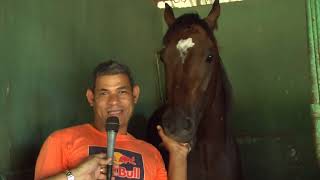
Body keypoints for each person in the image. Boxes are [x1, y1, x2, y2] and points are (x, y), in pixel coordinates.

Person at [34, 60, 189, 180]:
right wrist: (75, 174)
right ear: (91, 98)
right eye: (104, 93)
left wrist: (178, 155)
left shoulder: (151, 153)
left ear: (134, 95)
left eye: (122, 92)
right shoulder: (61, 141)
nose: (114, 101)